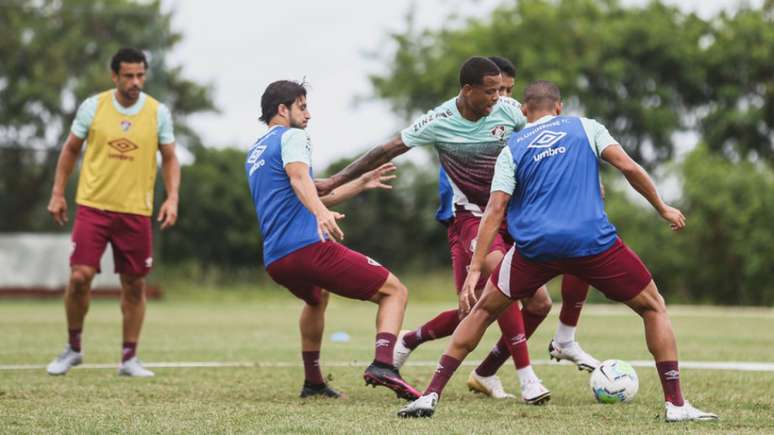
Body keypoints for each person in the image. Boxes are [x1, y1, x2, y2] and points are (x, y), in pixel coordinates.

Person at [398, 80, 719, 423]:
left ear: (524, 111)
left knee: (482, 311)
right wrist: (663, 207)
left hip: (536, 249)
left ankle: (429, 396)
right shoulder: (587, 126)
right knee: (653, 307)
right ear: (559, 107)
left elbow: (495, 208)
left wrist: (476, 268)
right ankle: (675, 404)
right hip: (592, 242)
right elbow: (628, 167)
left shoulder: (513, 147)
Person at [319, 56, 568, 404]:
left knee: (530, 306)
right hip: (470, 218)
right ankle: (527, 377)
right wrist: (334, 180)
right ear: (467, 90)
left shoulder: (510, 111)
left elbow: (544, 148)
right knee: (502, 277)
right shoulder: (439, 120)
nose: (498, 97)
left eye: (501, 90)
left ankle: (438, 352)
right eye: (490, 91)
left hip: (512, 215)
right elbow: (386, 149)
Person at [245, 79, 421, 400]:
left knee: (317, 298)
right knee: (395, 291)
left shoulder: (256, 152)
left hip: (276, 259)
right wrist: (320, 215)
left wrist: (360, 183)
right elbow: (301, 181)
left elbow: (311, 190)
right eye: (302, 106)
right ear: (283, 109)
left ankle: (313, 382)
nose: (308, 114)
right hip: (307, 249)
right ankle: (384, 364)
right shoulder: (294, 136)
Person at [45, 48, 180, 377]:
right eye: (129, 76)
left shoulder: (157, 112)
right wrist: (58, 193)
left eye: (140, 75)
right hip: (93, 207)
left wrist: (172, 198)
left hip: (135, 212)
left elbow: (171, 158)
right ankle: (73, 348)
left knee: (134, 284)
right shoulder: (94, 107)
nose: (135, 82)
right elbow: (70, 151)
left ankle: (129, 358)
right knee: (80, 277)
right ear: (115, 77)